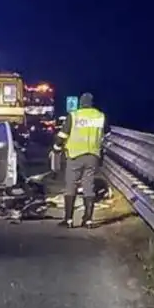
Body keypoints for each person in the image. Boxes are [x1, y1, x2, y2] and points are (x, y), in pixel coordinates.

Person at [52, 92, 106, 228]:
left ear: (80, 103)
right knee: (89, 187)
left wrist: (57, 147)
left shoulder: (74, 116)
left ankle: (68, 220)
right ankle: (88, 220)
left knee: (71, 186)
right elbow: (107, 134)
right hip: (93, 155)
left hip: (75, 155)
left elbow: (63, 135)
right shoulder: (100, 116)